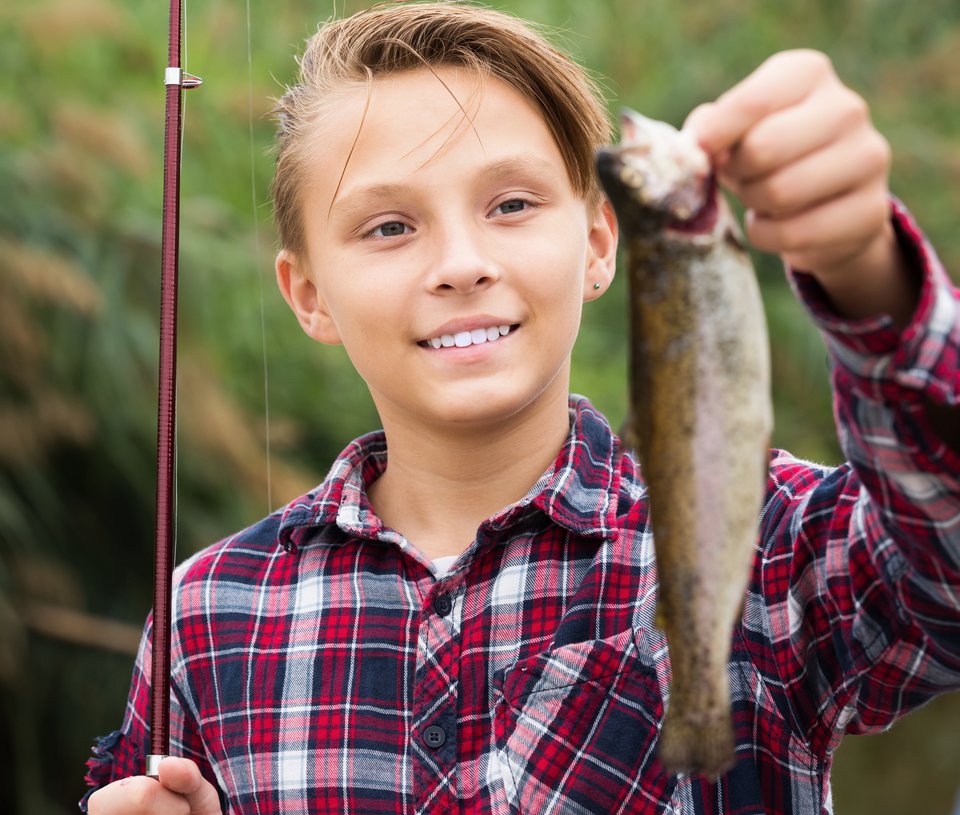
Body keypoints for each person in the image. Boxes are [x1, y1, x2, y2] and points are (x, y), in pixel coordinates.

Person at [83, 2, 960, 813]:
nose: (461, 262)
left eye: (511, 204)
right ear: (308, 294)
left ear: (599, 242)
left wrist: (864, 264)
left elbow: (942, 565)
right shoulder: (206, 611)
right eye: (389, 226)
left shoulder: (763, 537)